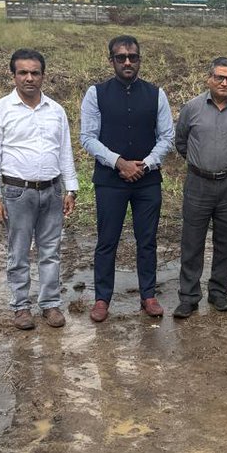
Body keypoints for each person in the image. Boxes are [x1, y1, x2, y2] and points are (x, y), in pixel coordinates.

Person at [0, 49, 78, 330]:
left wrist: (70, 188)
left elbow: (64, 152)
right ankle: (21, 307)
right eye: (23, 72)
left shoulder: (56, 111)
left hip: (50, 190)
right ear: (13, 76)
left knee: (50, 250)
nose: (29, 78)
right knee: (19, 251)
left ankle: (49, 304)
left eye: (35, 72)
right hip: (17, 192)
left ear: (43, 76)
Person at [79, 36, 174, 322]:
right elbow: (88, 138)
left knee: (147, 240)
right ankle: (101, 299)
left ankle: (148, 294)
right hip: (110, 181)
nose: (128, 62)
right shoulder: (96, 94)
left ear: (140, 59)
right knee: (107, 241)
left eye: (133, 56)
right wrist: (118, 162)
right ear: (112, 61)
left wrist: (143, 165)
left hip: (147, 181)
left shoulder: (156, 94)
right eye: (121, 57)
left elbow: (167, 136)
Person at [172, 58, 227, 318]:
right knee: (192, 242)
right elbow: (181, 142)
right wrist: (202, 164)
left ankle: (219, 292)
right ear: (209, 78)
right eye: (219, 77)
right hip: (198, 183)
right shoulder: (192, 108)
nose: (224, 82)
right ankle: (188, 296)